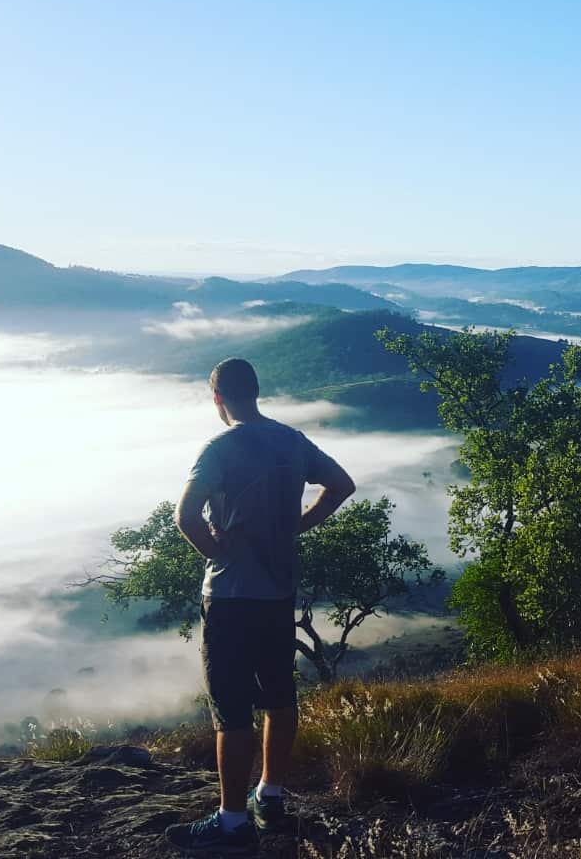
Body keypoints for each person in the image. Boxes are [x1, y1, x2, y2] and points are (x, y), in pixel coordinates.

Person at [163, 358, 356, 856]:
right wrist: (295, 527)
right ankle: (270, 797)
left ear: (217, 399)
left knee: (231, 710)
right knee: (279, 696)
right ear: (256, 390)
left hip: (229, 597)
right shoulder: (291, 441)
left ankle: (232, 823)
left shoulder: (219, 448)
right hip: (277, 593)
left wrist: (215, 551)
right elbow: (342, 485)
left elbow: (185, 516)